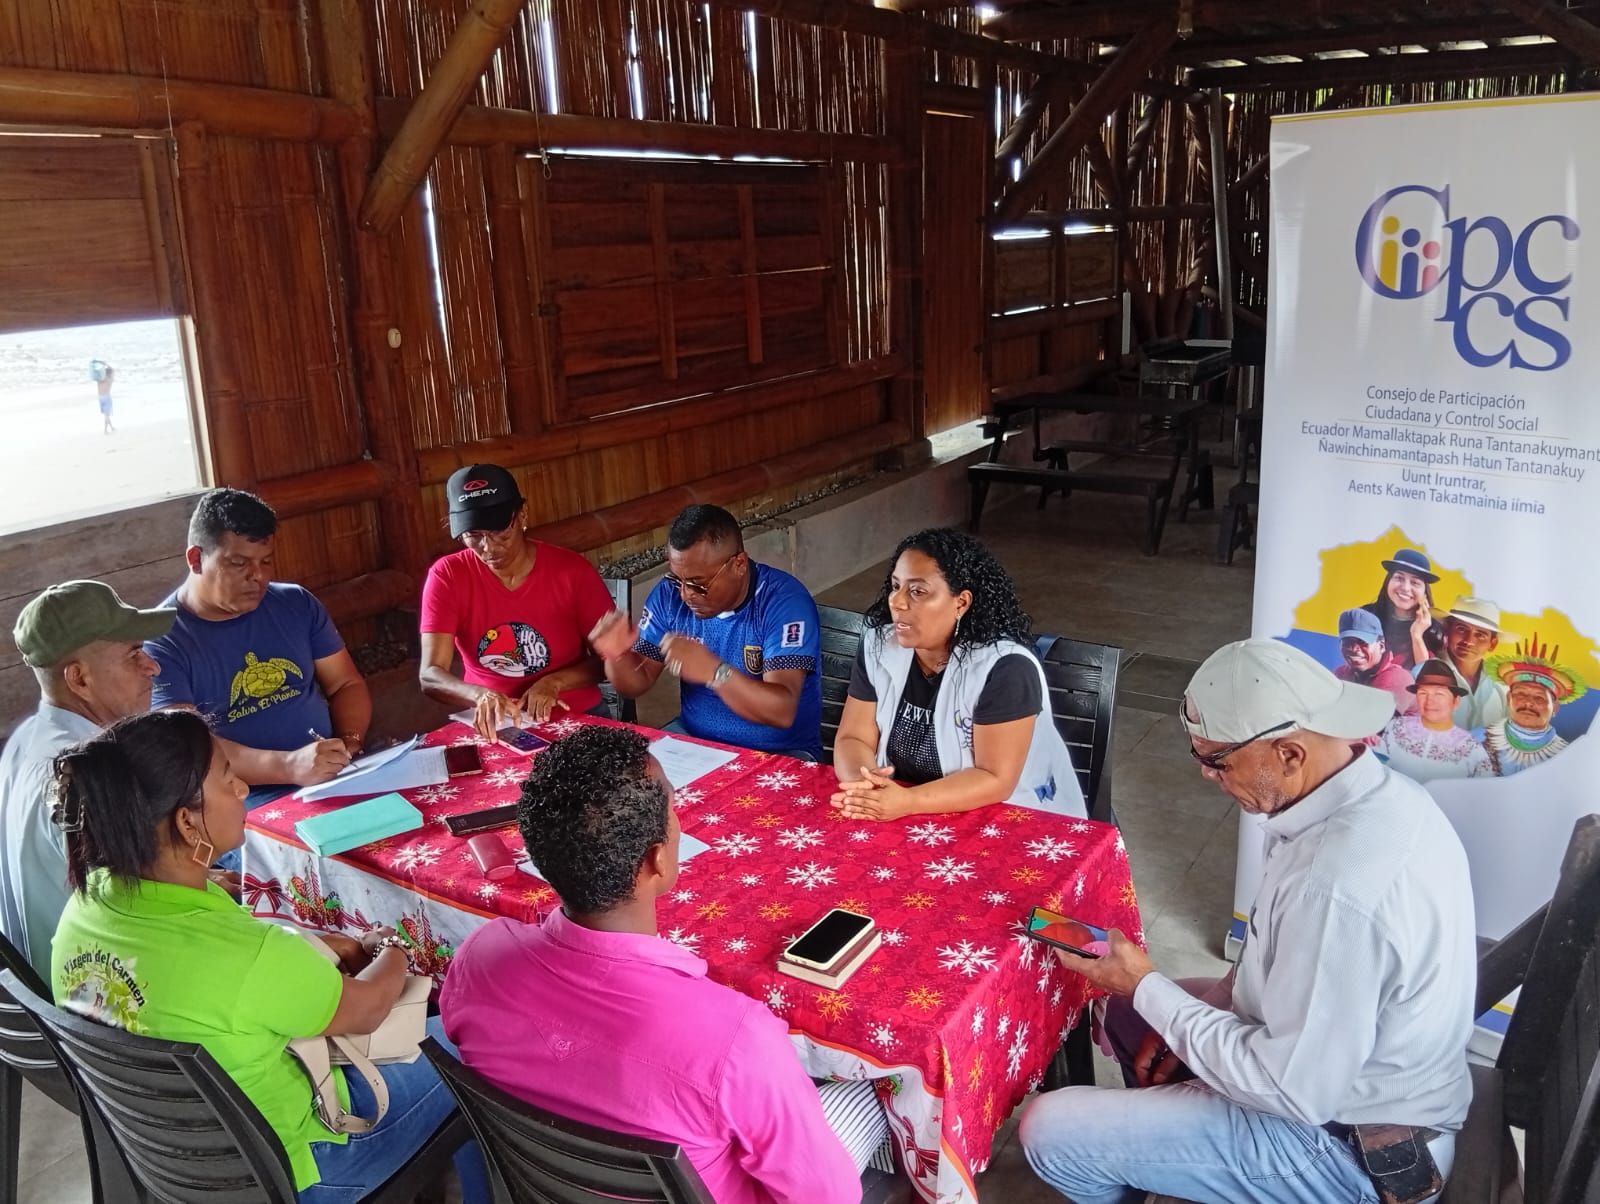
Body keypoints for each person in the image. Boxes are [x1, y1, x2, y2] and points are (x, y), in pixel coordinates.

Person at [1020, 638, 1475, 1204]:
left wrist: (1151, 989)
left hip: (1346, 1149)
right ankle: (1160, 1157)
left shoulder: (1335, 888)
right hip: (1329, 1082)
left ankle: (1153, 1162)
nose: (1206, 776)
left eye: (1218, 761)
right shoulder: (1360, 797)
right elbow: (1275, 958)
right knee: (1130, 1013)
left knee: (1050, 1131)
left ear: (1290, 754)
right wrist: (1178, 1009)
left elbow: (1293, 1090)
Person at [49, 709, 487, 1203]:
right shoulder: (242, 958)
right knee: (473, 1031)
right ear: (187, 822)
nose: (241, 789)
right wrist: (392, 947)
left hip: (179, 1159)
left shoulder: (87, 905)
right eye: (227, 778)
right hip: (301, 1170)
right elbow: (368, 1008)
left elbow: (236, 965)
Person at [441, 726, 879, 1204]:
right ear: (657, 860)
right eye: (674, 812)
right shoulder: (739, 1039)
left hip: (541, 1187)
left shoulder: (480, 958)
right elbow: (828, 1198)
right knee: (872, 1098)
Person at [827, 529, 1084, 821]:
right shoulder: (879, 646)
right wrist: (867, 785)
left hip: (1013, 816)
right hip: (907, 809)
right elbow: (853, 738)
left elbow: (995, 778)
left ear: (961, 603)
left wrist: (907, 801)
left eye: (917, 591)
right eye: (896, 586)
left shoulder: (1005, 668)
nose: (896, 601)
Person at [146, 489, 371, 798]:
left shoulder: (295, 603)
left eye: (266, 561)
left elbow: (345, 683)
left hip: (332, 775)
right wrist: (289, 766)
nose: (258, 576)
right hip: (238, 799)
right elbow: (188, 745)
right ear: (196, 559)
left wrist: (349, 742)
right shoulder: (161, 641)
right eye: (239, 563)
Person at [0, 581, 174, 977]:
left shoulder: (25, 741)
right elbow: (141, 916)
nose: (153, 666)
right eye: (134, 654)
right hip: (96, 990)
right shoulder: (89, 771)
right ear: (79, 679)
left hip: (43, 984)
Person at [591, 505, 823, 760]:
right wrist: (617, 656)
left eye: (698, 584)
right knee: (628, 776)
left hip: (781, 752)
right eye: (677, 580)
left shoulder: (783, 602)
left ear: (739, 564)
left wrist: (715, 671)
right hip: (693, 741)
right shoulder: (669, 596)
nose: (685, 594)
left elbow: (782, 711)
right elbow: (637, 681)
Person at [420, 464, 614, 740]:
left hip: (576, 714)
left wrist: (555, 682)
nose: (488, 547)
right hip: (496, 724)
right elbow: (430, 675)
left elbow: (609, 661)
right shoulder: (447, 575)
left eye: (501, 531)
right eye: (474, 536)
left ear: (522, 514)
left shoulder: (571, 572)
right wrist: (479, 694)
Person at [1375, 659, 1493, 781]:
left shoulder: (1471, 747)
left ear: (1455, 701)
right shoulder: (1395, 727)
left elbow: (1485, 787)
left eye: (1439, 694)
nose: (1429, 701)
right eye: (1423, 693)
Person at [1481, 638, 1579, 776]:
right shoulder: (1476, 742)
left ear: (1555, 707)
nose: (1528, 703)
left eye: (1539, 697)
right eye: (1521, 694)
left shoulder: (1569, 756)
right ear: (1509, 698)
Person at [1434, 597, 1512, 730]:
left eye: (1480, 635)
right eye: (1461, 629)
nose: (1469, 641)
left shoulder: (1502, 686)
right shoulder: (1427, 671)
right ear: (1447, 629)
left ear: (1492, 644)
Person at [1360, 547, 1443, 670]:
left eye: (1415, 583)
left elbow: (1425, 677)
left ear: (1425, 592)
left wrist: (1417, 635)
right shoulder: (1365, 617)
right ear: (1388, 581)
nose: (1405, 588)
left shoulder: (1435, 631)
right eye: (1399, 578)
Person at [1330, 607, 1415, 715]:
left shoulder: (1397, 678)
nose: (1353, 649)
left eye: (1362, 642)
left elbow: (1370, 722)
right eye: (1347, 642)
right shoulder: (1341, 674)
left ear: (1381, 646)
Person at [93, 361, 114, 434]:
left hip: (100, 397)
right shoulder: (110, 380)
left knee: (106, 413)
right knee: (106, 415)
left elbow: (96, 374)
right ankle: (105, 430)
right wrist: (105, 364)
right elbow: (112, 369)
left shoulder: (100, 380)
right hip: (107, 397)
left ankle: (111, 427)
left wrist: (100, 363)